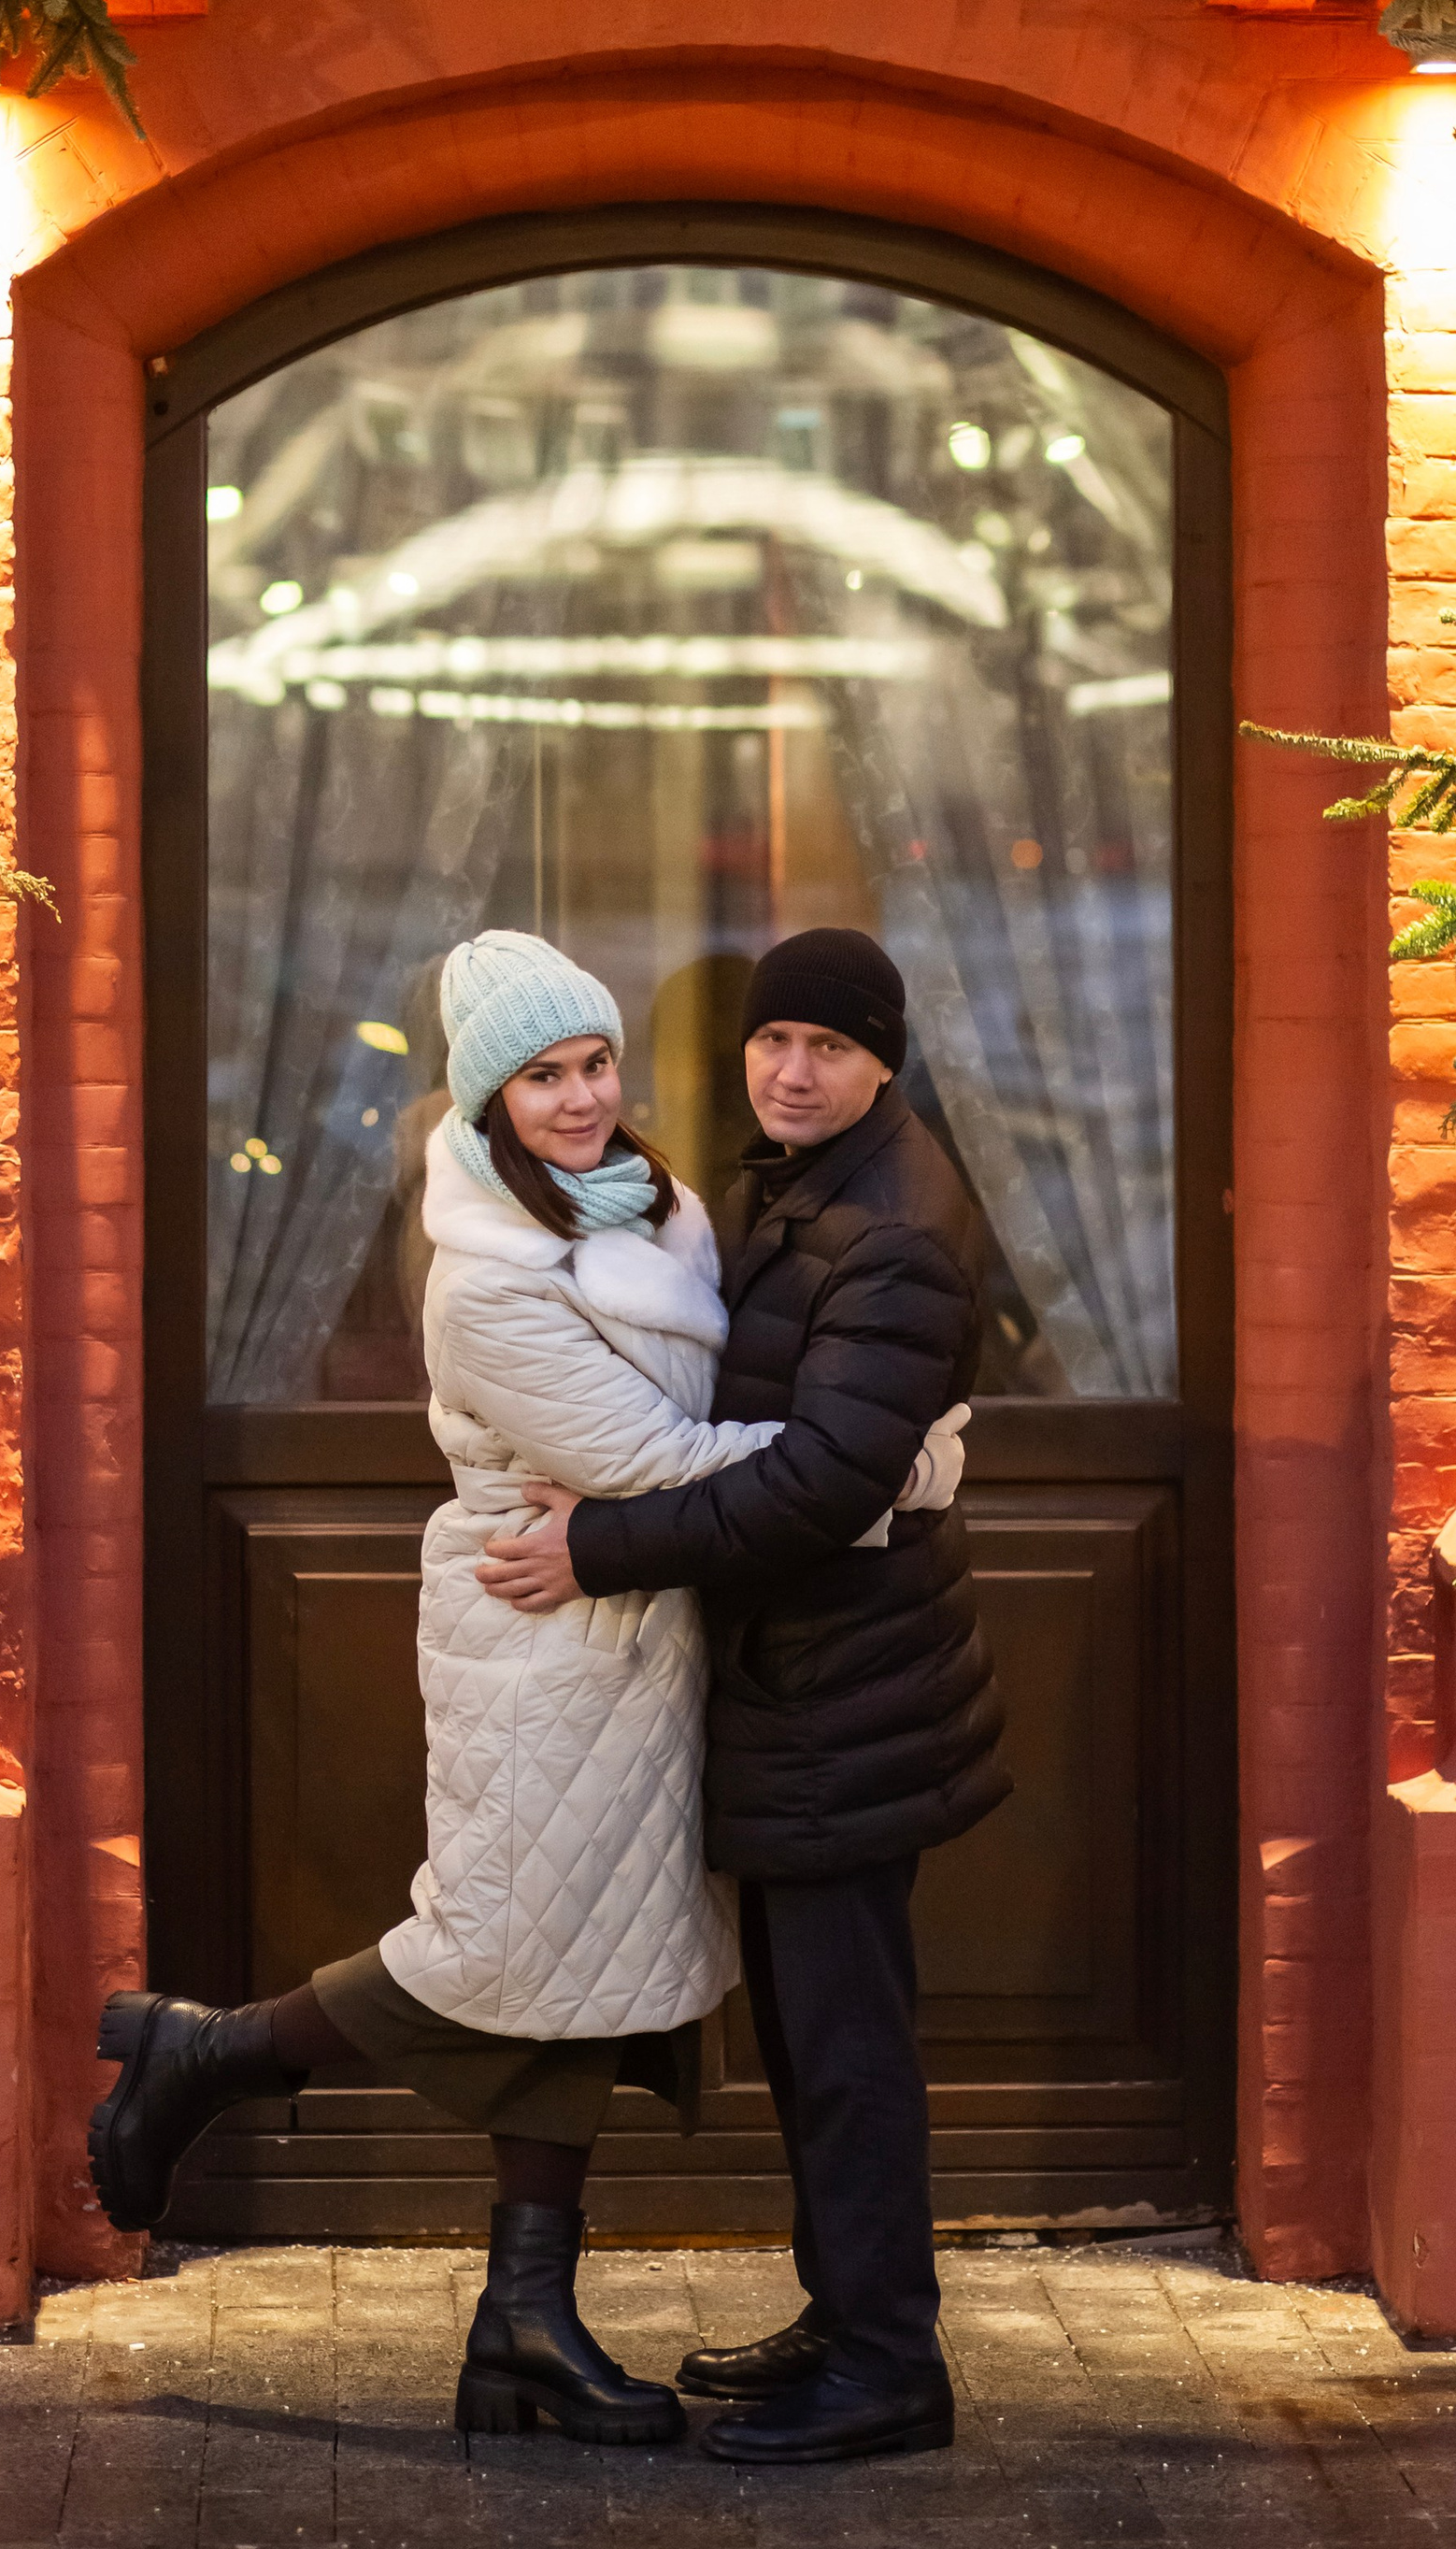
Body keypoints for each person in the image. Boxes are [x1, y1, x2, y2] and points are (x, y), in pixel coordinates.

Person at [87, 929, 961, 2447]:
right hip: (551, 1631)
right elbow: (655, 1458)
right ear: (484, 1099)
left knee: (588, 1975)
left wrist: (867, 1458)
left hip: (663, 1629)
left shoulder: (681, 1202)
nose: (576, 1098)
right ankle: (212, 2053)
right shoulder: (488, 1280)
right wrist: (881, 1471)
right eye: (541, 1076)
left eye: (595, 1065)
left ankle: (526, 2324)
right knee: (501, 1945)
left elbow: (750, 1404)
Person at [478, 924, 1010, 2468]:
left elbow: (821, 1482)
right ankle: (847, 2318)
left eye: (827, 1048)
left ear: (882, 1063)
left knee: (846, 2043)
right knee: (809, 2030)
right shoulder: (808, 1186)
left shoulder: (893, 1224)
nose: (791, 1069)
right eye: (774, 1040)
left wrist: (600, 1549)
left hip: (846, 1690)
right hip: (807, 1681)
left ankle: (891, 2366)